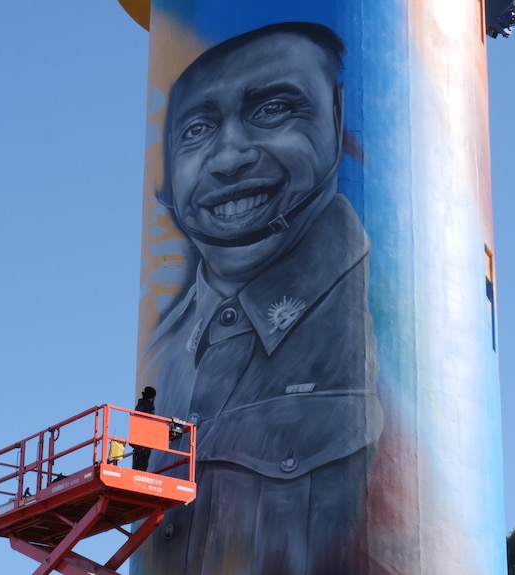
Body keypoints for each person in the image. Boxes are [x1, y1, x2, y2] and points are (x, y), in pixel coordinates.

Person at [138, 22, 383, 575]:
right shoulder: (161, 353)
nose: (227, 158)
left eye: (272, 109)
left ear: (340, 116)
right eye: (196, 129)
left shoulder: (387, 327)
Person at [132, 386, 156, 471]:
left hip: (136, 440)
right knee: (142, 466)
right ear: (152, 397)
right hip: (144, 440)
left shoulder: (139, 405)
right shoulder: (149, 407)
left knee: (136, 466)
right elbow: (149, 423)